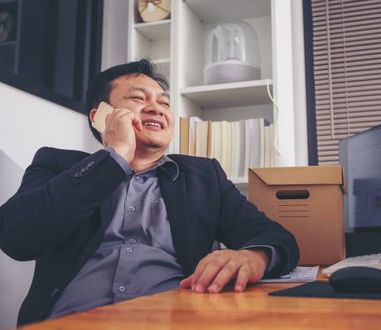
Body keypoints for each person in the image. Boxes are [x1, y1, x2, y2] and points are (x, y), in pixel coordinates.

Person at [0, 60, 299, 326]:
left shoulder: (204, 176)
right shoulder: (58, 164)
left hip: (174, 319)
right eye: (138, 98)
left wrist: (254, 257)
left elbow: (275, 237)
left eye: (165, 103)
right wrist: (115, 155)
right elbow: (16, 238)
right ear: (101, 116)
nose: (157, 108)